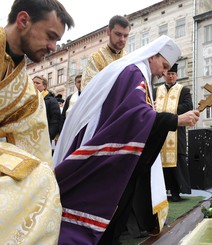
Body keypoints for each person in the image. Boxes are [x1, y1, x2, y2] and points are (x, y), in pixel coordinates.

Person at [53, 35, 200, 244]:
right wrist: (175, 120)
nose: (163, 73)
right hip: (110, 148)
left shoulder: (136, 73)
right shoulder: (135, 73)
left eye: (168, 70)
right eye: (164, 66)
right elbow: (135, 115)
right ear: (152, 56)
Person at [0, 0, 74, 243]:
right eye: (50, 36)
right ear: (23, 21)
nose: (53, 46)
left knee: (42, 182)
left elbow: (37, 147)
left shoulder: (29, 93)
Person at [154, 63, 193, 201]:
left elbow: (188, 106)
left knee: (177, 164)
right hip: (159, 133)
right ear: (164, 75)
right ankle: (161, 192)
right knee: (158, 164)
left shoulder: (183, 90)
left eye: (173, 74)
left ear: (176, 75)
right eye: (168, 74)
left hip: (176, 133)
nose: (170, 76)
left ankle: (176, 192)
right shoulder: (156, 90)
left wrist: (166, 112)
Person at [81, 15, 130, 90]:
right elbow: (88, 90)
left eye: (125, 36)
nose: (122, 39)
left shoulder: (129, 60)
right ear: (108, 31)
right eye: (118, 34)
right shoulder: (95, 59)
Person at [32, 75, 61, 141]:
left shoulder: (51, 100)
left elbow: (55, 120)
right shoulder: (28, 98)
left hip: (44, 136)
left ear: (44, 86)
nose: (34, 84)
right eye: (33, 82)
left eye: (37, 83)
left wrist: (49, 136)